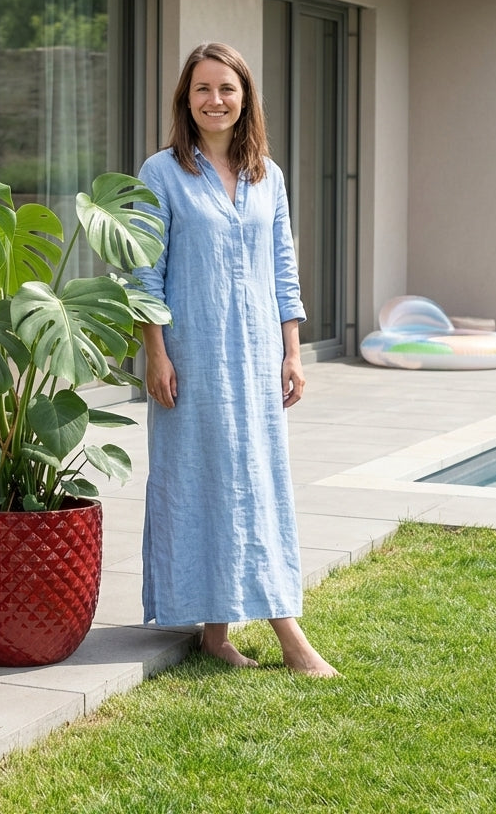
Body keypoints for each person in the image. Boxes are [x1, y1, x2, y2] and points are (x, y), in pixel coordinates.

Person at [134, 42, 338, 677]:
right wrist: (156, 355)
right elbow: (146, 272)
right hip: (190, 357)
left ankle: (217, 632)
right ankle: (287, 634)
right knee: (200, 482)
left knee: (253, 483)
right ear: (184, 100)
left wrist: (293, 353)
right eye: (202, 89)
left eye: (226, 88)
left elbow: (283, 268)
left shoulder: (266, 176)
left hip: (254, 358)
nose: (214, 100)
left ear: (245, 98)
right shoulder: (160, 174)